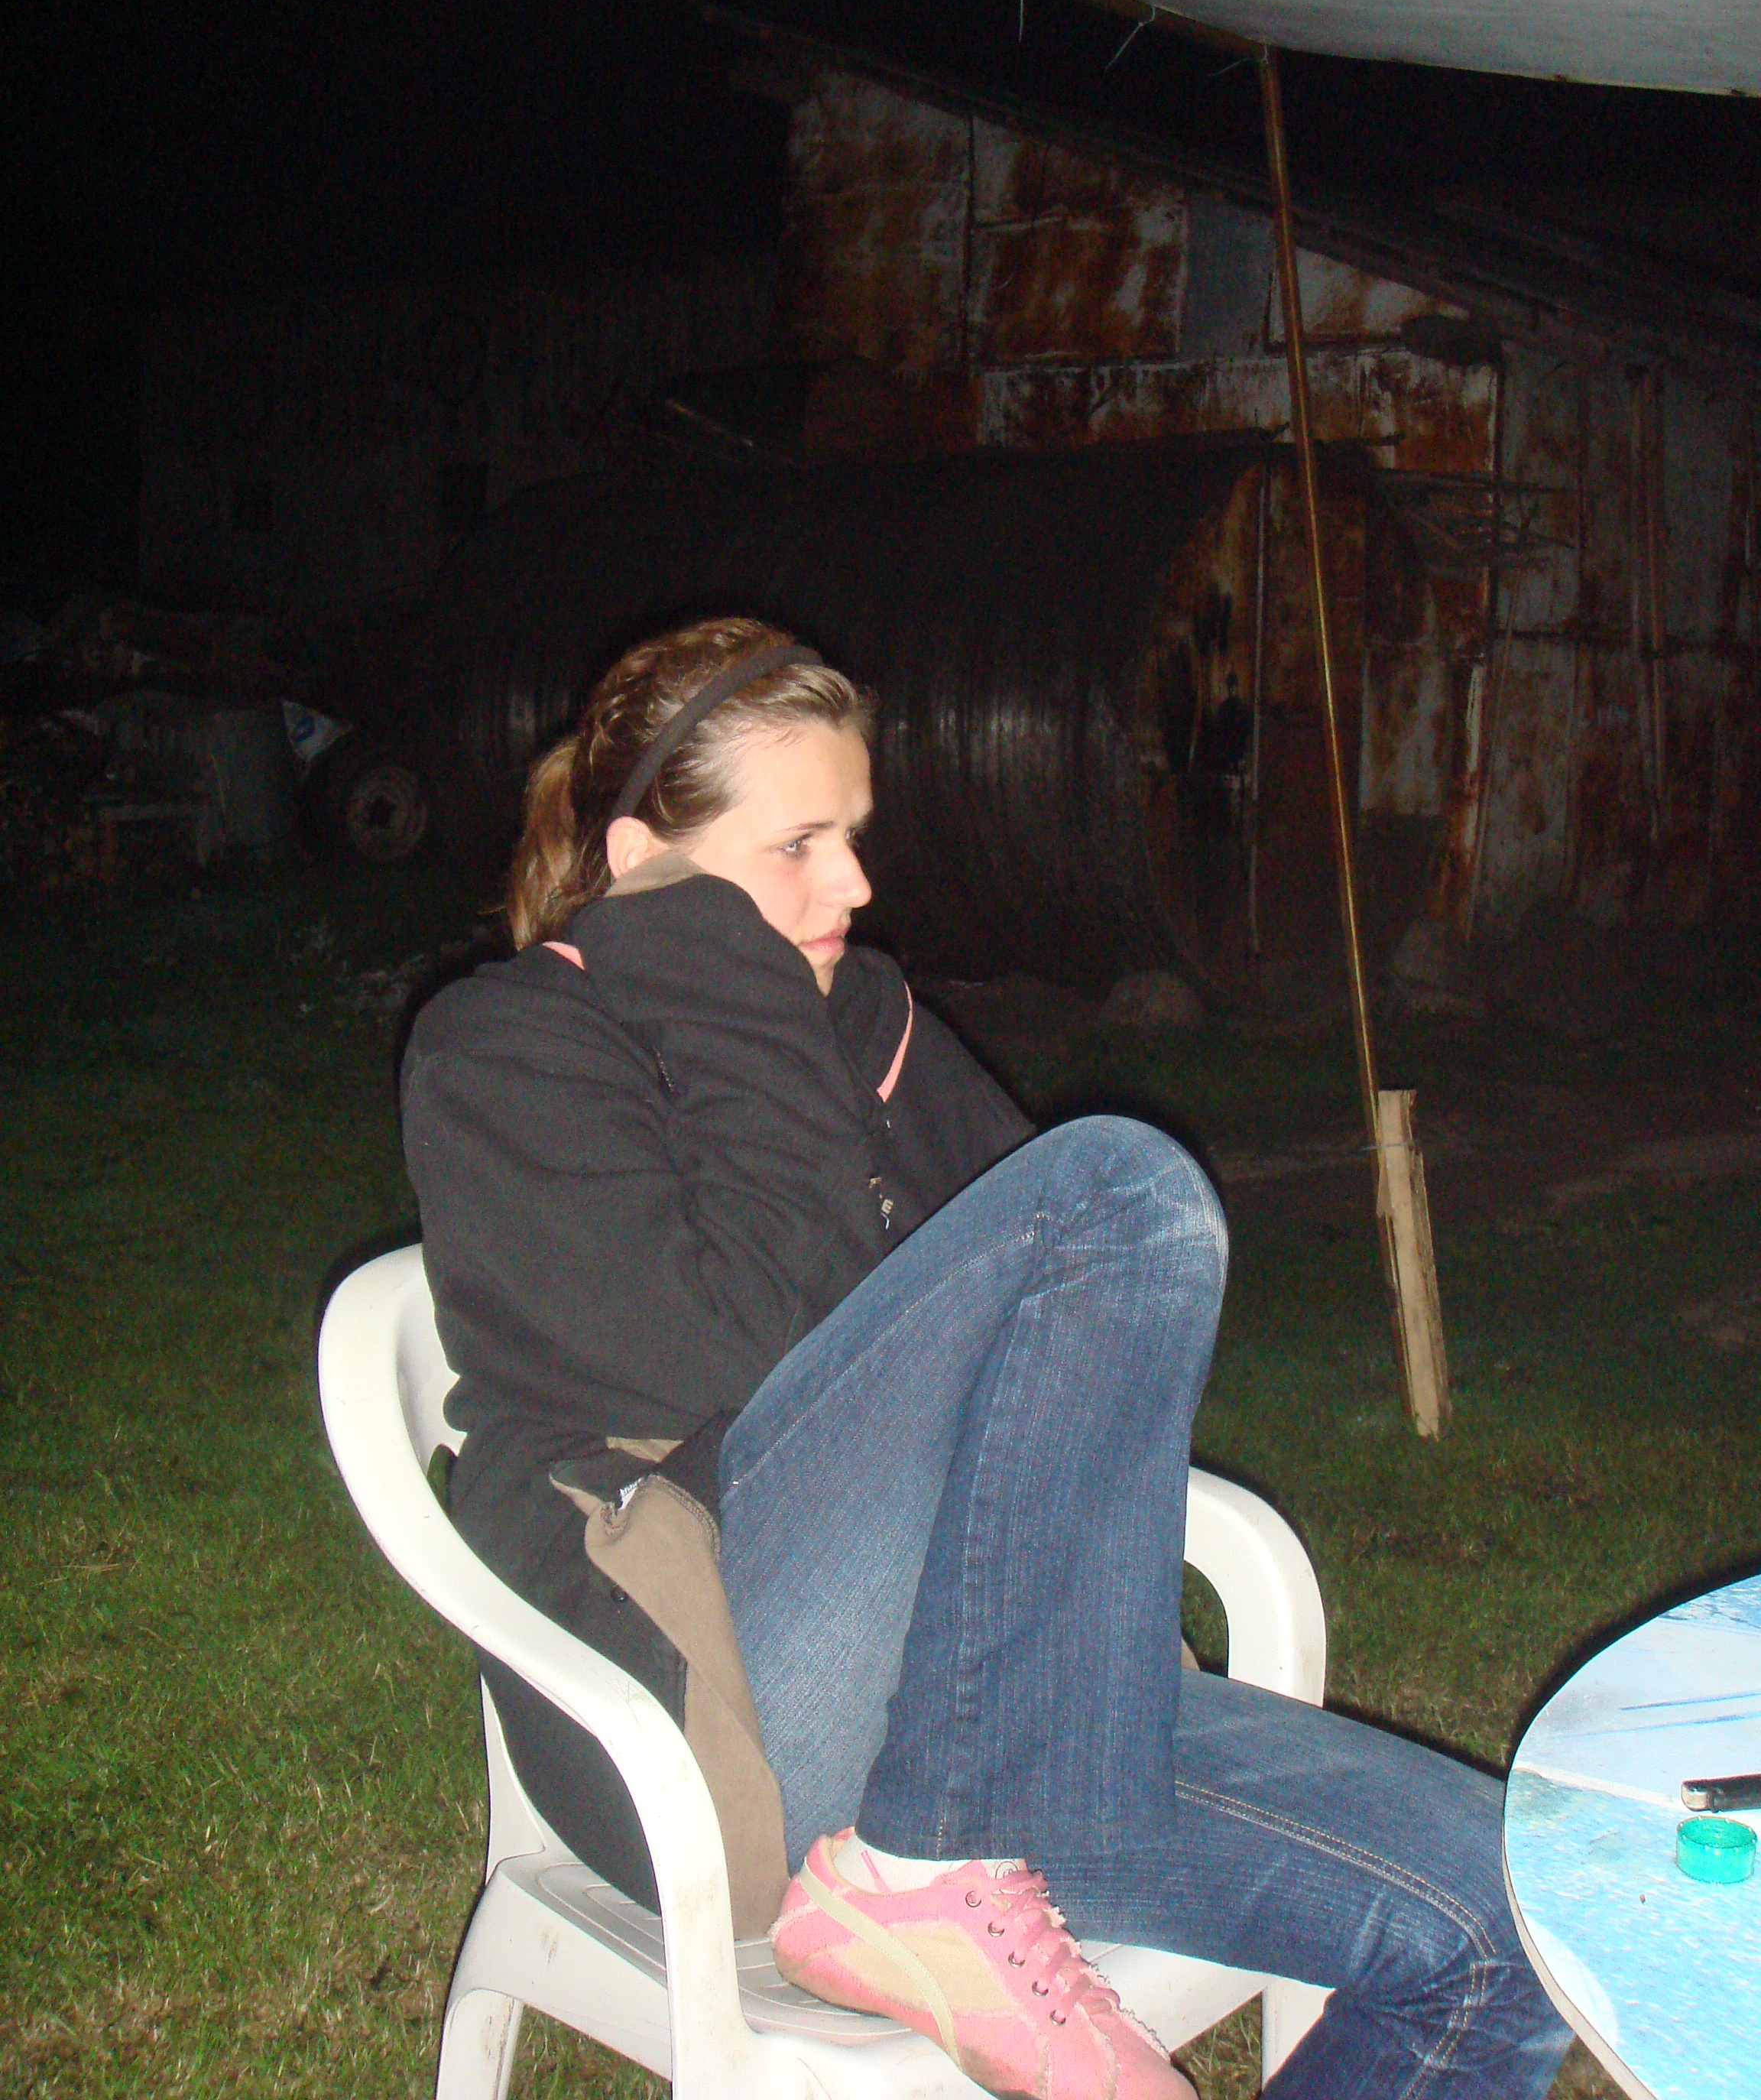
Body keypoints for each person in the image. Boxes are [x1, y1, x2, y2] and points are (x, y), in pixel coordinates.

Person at [401, 617, 1571, 2100]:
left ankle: (949, 1846)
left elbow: (1072, 1349)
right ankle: (919, 1871)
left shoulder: (868, 1024)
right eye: (798, 846)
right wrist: (711, 965)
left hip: (996, 1709)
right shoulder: (503, 1049)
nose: (854, 884)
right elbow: (735, 1359)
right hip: (715, 1718)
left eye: (854, 836)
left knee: (1511, 1923)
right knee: (1119, 1190)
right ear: (644, 867)